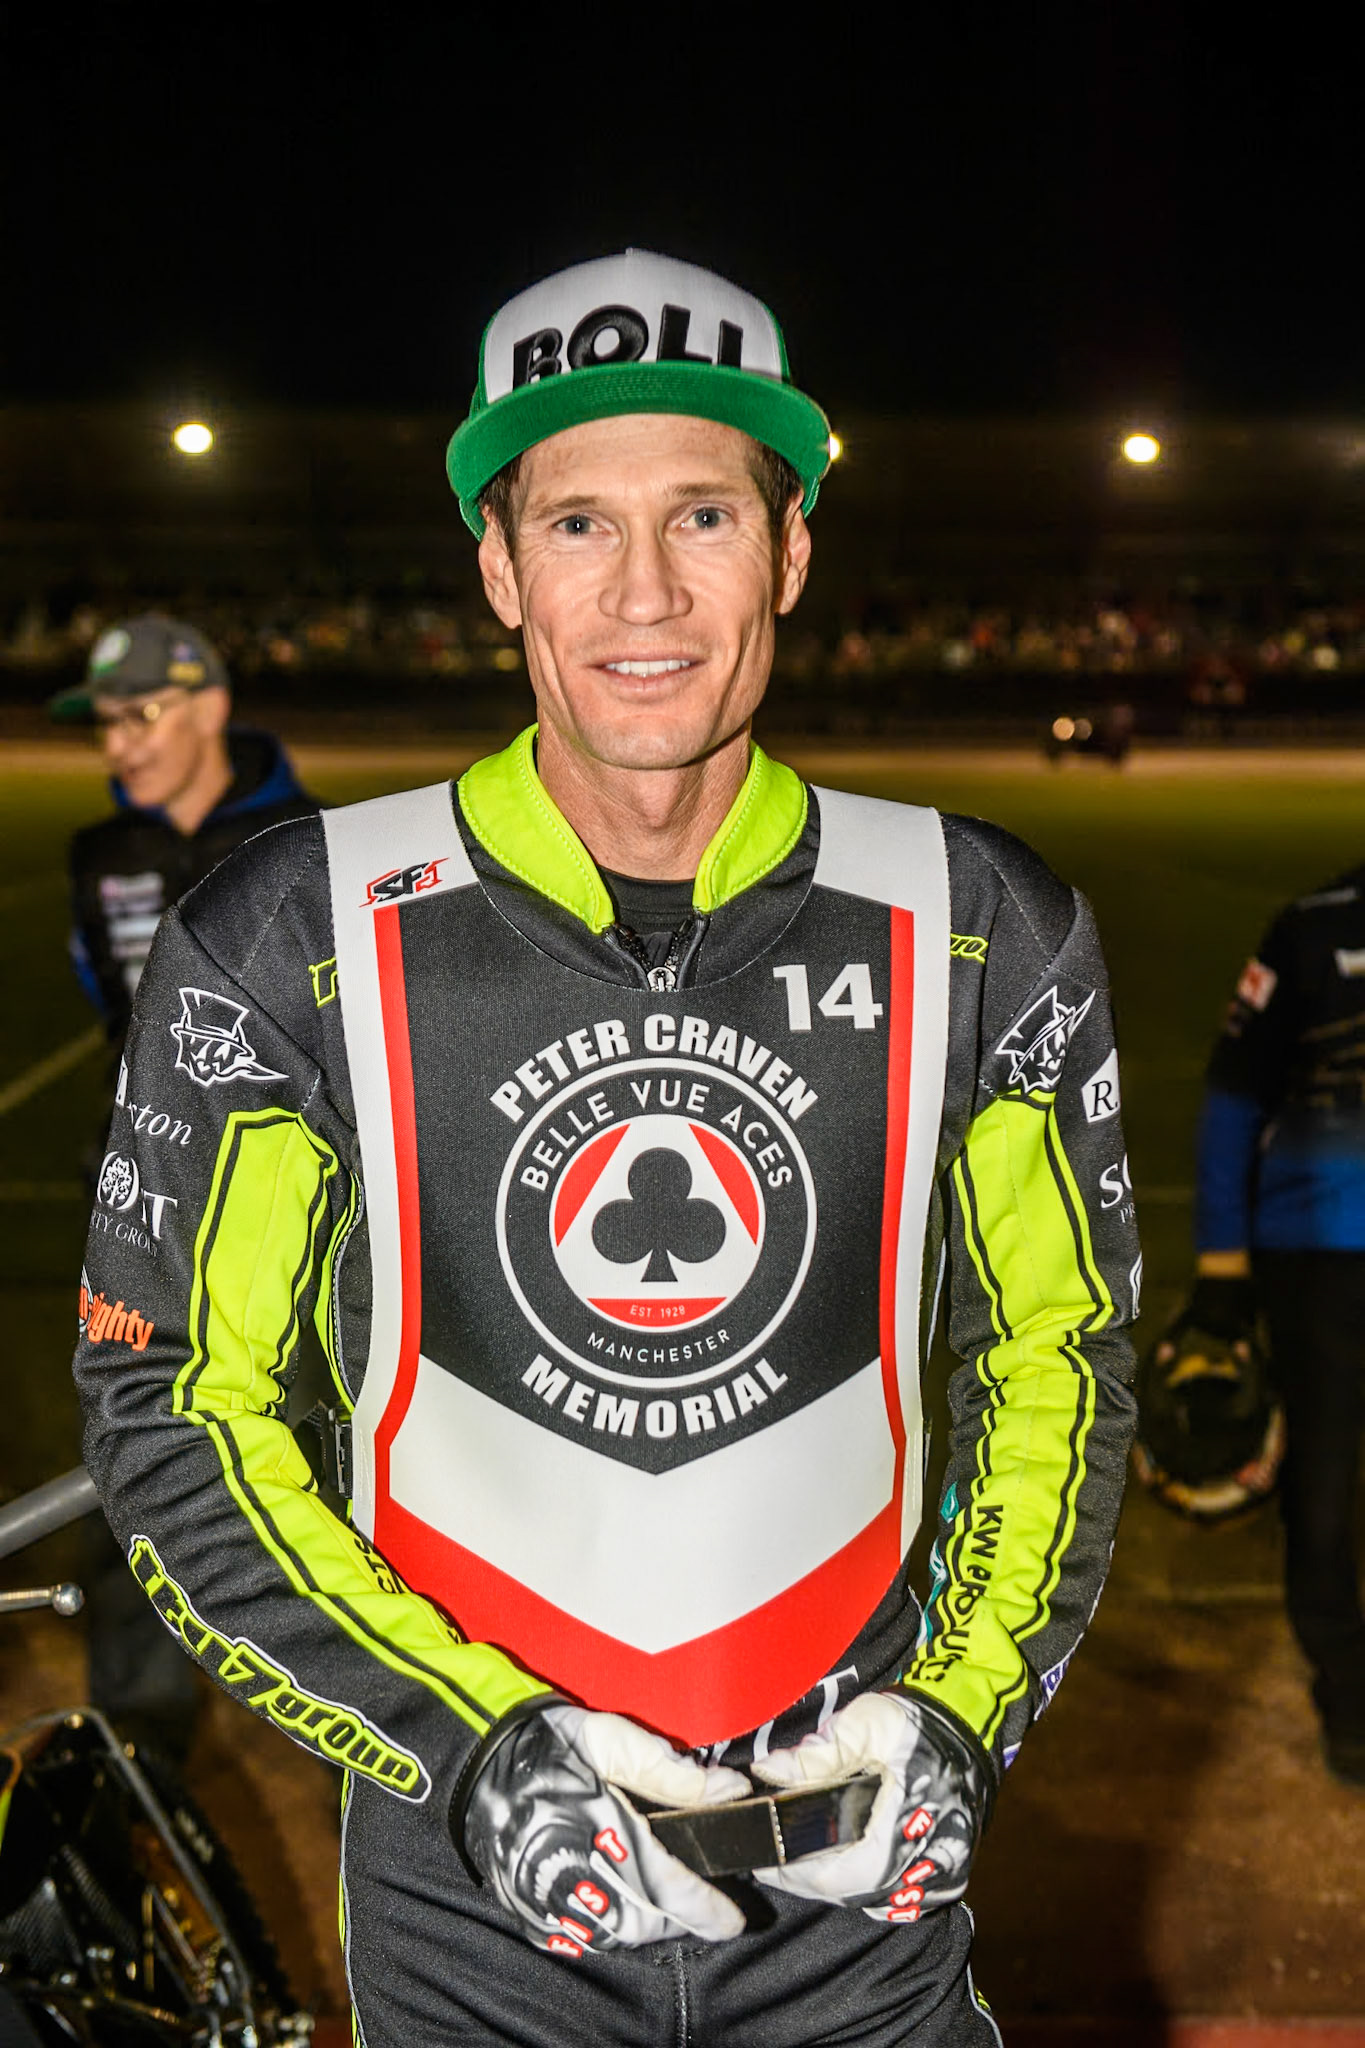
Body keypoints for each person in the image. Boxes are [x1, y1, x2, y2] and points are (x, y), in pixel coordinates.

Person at [73, 251, 1139, 2046]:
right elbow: (167, 1393)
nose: (645, 589)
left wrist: (964, 1707)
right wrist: (465, 1745)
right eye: (577, 523)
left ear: (790, 549)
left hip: (857, 1880)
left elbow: (1063, 1359)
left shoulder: (984, 922)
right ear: (498, 566)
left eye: (704, 511)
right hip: (471, 1884)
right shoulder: (289, 928)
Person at [56, 613, 320, 1762]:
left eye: (142, 712)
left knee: (333, 1474)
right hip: (153, 1214)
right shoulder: (95, 855)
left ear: (212, 706)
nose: (120, 741)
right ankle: (141, 1757)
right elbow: (105, 999)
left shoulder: (311, 840)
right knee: (137, 1451)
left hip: (308, 1222)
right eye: (107, 720)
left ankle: (383, 1758)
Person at [1191, 866, 1365, 1786]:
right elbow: (1233, 1097)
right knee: (1322, 1498)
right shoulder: (1308, 929)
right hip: (1318, 1261)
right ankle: (1351, 1704)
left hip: (1317, 1252)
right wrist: (1222, 1267)